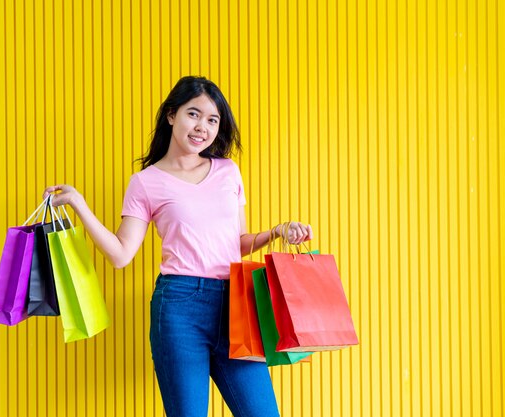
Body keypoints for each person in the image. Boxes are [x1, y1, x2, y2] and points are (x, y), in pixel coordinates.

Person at [43, 76, 313, 417]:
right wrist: (81, 206)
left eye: (212, 120)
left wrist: (277, 231)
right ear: (171, 115)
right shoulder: (146, 182)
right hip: (179, 307)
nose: (203, 127)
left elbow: (236, 244)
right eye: (194, 114)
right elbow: (121, 254)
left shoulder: (228, 172)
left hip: (237, 305)